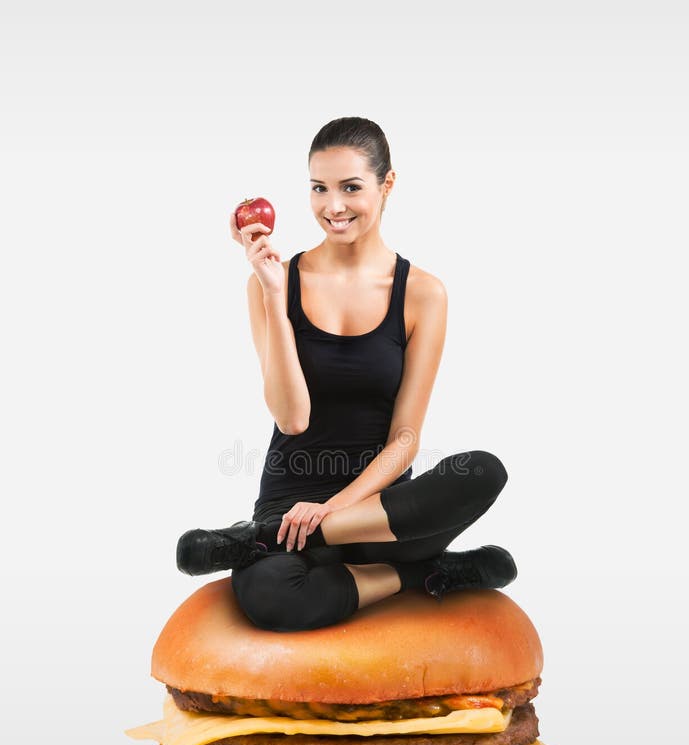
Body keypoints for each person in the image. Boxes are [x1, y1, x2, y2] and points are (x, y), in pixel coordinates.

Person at [176, 116, 517, 633]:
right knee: (272, 597)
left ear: (387, 184)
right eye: (319, 188)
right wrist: (272, 291)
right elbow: (292, 418)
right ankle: (422, 574)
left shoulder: (423, 293)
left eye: (350, 188)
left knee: (485, 471)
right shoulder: (275, 281)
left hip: (379, 511)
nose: (332, 207)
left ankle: (263, 539)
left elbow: (405, 439)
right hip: (288, 504)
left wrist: (330, 514)